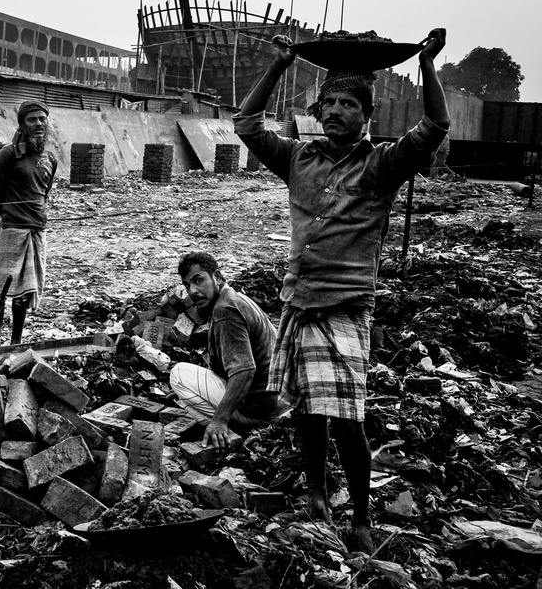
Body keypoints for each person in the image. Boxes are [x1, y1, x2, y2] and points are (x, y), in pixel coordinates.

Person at [233, 29, 450, 553]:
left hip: (348, 306)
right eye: (328, 101)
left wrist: (425, 66)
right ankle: (314, 493)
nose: (334, 110)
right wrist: (280, 65)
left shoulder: (381, 164)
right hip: (300, 302)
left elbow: (435, 125)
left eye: (347, 103)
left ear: (365, 115)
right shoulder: (299, 159)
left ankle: (359, 514)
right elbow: (245, 123)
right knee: (307, 409)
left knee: (347, 416)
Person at [168, 252, 290, 449]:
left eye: (199, 280)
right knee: (186, 386)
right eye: (187, 285)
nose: (193, 290)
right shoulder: (236, 298)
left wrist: (220, 420)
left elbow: (244, 371)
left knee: (178, 374)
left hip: (261, 411)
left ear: (217, 276)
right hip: (280, 400)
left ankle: (229, 435)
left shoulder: (225, 311)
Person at [0, 99, 58, 345]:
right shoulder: (7, 154)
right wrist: (9, 218)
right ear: (22, 125)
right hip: (14, 231)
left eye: (42, 118)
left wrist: (34, 217)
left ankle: (16, 341)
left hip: (38, 232)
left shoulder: (49, 158)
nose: (38, 124)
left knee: (24, 293)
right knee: (2, 290)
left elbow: (43, 194)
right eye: (32, 119)